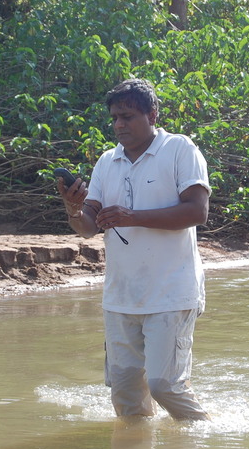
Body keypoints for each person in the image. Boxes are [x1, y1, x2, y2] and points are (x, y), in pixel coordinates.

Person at [57, 78, 211, 421]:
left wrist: (132, 217)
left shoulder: (179, 149)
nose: (118, 125)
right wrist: (72, 208)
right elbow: (88, 226)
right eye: (114, 117)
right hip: (121, 295)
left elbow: (197, 212)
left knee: (164, 386)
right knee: (125, 394)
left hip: (172, 291)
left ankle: (206, 439)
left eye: (127, 116)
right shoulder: (107, 162)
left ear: (152, 114)